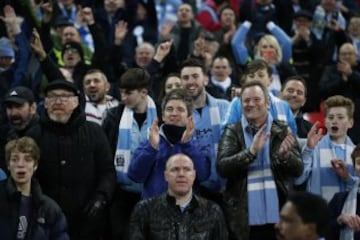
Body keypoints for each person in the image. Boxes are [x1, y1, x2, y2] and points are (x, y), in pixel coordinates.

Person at [28, 79, 116, 240]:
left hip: (87, 219)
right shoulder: (34, 135)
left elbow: (107, 171)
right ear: (45, 103)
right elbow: (27, 176)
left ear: (76, 102)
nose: (58, 101)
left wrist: (100, 198)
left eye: (64, 97)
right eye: (52, 97)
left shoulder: (94, 132)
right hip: (45, 218)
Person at [217, 81, 303, 240]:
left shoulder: (283, 129)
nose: (251, 104)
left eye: (256, 99)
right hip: (244, 218)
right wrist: (250, 153)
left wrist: (285, 157)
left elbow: (298, 169)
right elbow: (222, 167)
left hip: (280, 216)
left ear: (268, 103)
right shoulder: (232, 131)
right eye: (246, 100)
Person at [102, 68, 158, 240]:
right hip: (122, 193)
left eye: (128, 93)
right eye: (121, 92)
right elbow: (105, 154)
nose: (123, 97)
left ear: (143, 92)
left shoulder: (162, 115)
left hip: (154, 192)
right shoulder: (113, 116)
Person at [128, 89, 210, 199]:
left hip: (187, 211)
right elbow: (135, 176)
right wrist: (152, 148)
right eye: (169, 109)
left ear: (189, 117)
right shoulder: (149, 143)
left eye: (180, 109)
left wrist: (187, 145)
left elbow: (203, 175)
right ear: (163, 116)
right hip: (154, 210)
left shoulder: (197, 146)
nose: (174, 113)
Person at [128, 153, 228, 239]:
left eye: (187, 169)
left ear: (193, 175)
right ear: (165, 175)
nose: (181, 174)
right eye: (175, 169)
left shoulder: (212, 211)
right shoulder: (144, 210)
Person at [179, 58, 229, 202]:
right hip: (194, 191)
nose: (190, 82)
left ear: (205, 79)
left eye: (195, 76)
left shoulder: (225, 107)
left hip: (228, 187)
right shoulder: (177, 115)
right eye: (185, 78)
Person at [0, 137, 69, 240]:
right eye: (14, 159)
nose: (20, 165)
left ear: (35, 165)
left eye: (27, 159)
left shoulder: (50, 210)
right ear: (8, 165)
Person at [295, 95, 356, 202]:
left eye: (340, 117)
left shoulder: (356, 152)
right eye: (331, 117)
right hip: (318, 214)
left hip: (347, 215)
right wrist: (308, 149)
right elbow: (298, 181)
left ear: (350, 123)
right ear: (325, 121)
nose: (334, 121)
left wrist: (347, 177)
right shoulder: (312, 147)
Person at [224, 59, 297, 135]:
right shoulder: (236, 103)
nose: (256, 79)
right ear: (245, 80)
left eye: (261, 75)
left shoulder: (283, 106)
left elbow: (293, 136)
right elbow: (226, 133)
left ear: (270, 80)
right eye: (251, 76)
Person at [0, 87, 39, 170]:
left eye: (19, 107)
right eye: (9, 107)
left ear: (33, 108)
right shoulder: (6, 135)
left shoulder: (44, 134)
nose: (13, 113)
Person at [328, 143, 360, 239]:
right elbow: (323, 230)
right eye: (359, 163)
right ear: (354, 168)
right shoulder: (339, 199)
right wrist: (339, 220)